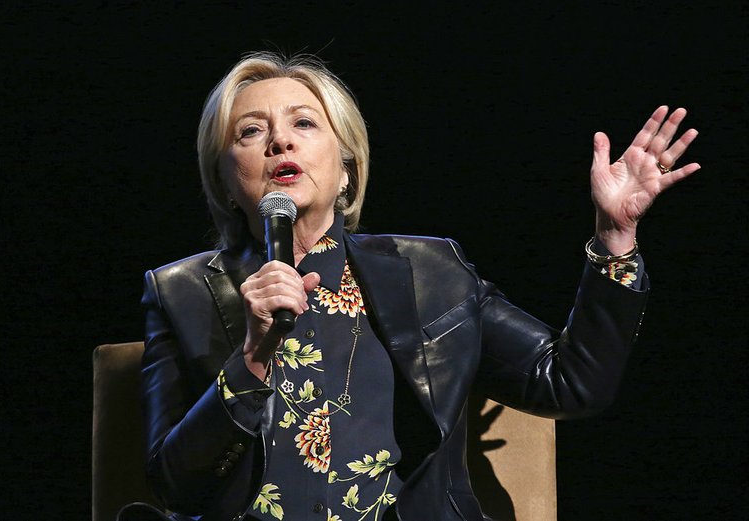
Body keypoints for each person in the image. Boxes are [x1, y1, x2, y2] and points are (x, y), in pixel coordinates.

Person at [119, 52, 700, 521]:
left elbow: (571, 384)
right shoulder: (180, 291)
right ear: (224, 179)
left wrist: (614, 239)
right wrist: (251, 360)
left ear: (346, 166)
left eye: (303, 123)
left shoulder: (433, 271)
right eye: (250, 132)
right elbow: (174, 484)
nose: (281, 143)